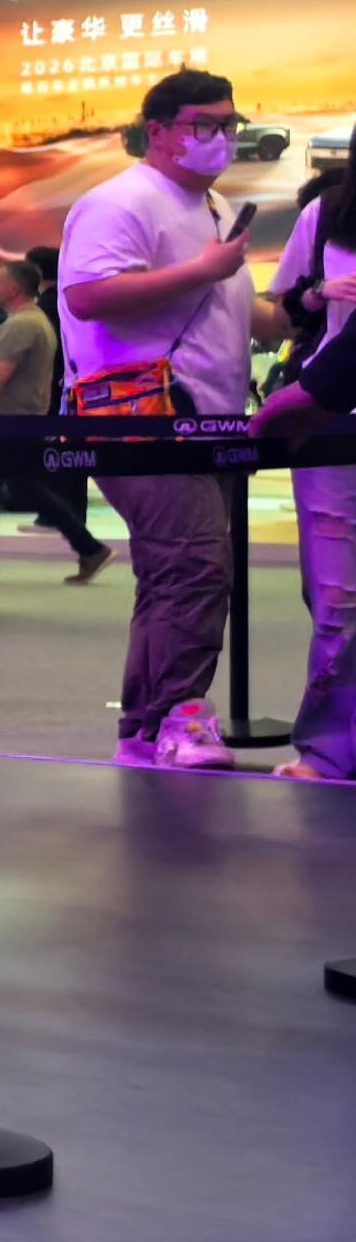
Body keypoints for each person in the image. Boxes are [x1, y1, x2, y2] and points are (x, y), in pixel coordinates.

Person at [60, 70, 282, 771]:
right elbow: (89, 295)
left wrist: (300, 307)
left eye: (229, 124)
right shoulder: (121, 201)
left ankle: (146, 725)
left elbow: (241, 312)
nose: (220, 138)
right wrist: (203, 271)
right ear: (156, 131)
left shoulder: (213, 208)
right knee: (193, 567)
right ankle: (179, 718)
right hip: (142, 418)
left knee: (174, 573)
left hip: (207, 423)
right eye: (202, 125)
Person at [261, 163, 356, 781]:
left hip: (321, 400)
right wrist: (320, 293)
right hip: (331, 423)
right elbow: (281, 315)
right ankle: (330, 751)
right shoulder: (325, 214)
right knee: (336, 598)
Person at [0, 245, 109, 585]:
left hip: (10, 421)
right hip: (23, 419)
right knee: (18, 488)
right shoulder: (34, 321)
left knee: (11, 489)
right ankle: (88, 548)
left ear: (13, 289)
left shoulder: (21, 326)